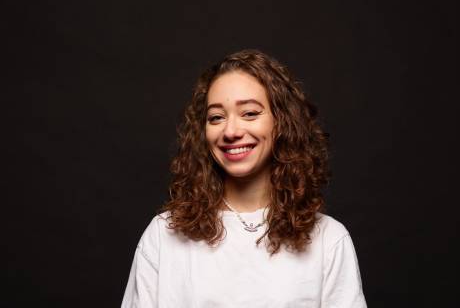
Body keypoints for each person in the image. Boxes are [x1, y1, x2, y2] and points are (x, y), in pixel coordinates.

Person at [121, 49, 367, 307]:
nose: (230, 131)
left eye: (250, 113)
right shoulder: (163, 235)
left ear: (282, 122)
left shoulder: (328, 240)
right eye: (216, 117)